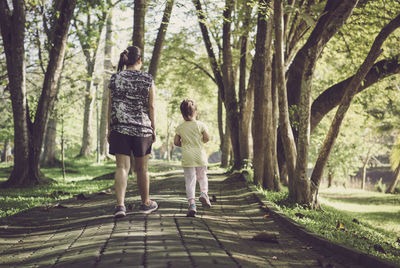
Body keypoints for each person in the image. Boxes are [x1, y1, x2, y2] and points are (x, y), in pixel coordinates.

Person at [108, 45, 158, 218]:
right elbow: (151, 105)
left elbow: (111, 105)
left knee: (122, 167)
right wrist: (153, 128)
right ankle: (145, 203)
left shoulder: (115, 78)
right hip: (142, 129)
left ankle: (120, 206)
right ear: (139, 60)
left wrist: (109, 128)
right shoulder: (147, 79)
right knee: (142, 168)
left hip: (119, 127)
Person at [174, 99, 211, 217]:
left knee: (190, 181)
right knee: (202, 176)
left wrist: (183, 144)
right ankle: (204, 193)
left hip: (187, 156)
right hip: (200, 156)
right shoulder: (201, 125)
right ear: (196, 112)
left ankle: (192, 204)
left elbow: (176, 142)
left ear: (182, 114)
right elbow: (207, 138)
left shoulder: (180, 127)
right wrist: (200, 141)